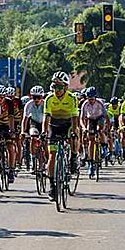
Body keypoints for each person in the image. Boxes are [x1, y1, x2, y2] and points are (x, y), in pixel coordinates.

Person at [42, 71, 78, 200]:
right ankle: (52, 185)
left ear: (66, 87)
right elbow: (46, 117)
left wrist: (74, 132)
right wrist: (44, 132)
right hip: (54, 126)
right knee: (52, 155)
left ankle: (73, 156)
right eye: (54, 87)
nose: (56, 90)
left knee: (75, 135)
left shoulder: (72, 98)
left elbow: (75, 118)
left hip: (68, 124)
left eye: (59, 87)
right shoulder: (49, 99)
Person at [79, 86, 106, 177]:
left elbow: (106, 116)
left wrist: (106, 126)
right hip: (90, 119)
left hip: (99, 118)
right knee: (91, 139)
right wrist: (84, 128)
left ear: (95, 97)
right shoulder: (84, 104)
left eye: (92, 99)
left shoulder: (100, 103)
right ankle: (91, 163)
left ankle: (104, 147)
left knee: (99, 130)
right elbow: (82, 119)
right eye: (89, 99)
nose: (90, 101)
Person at [22, 85, 45, 172]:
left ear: (42, 97)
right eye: (34, 97)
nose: (36, 100)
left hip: (44, 123)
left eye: (38, 97)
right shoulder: (29, 104)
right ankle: (33, 158)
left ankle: (44, 160)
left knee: (46, 142)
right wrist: (23, 131)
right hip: (34, 123)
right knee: (33, 137)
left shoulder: (45, 103)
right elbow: (25, 119)